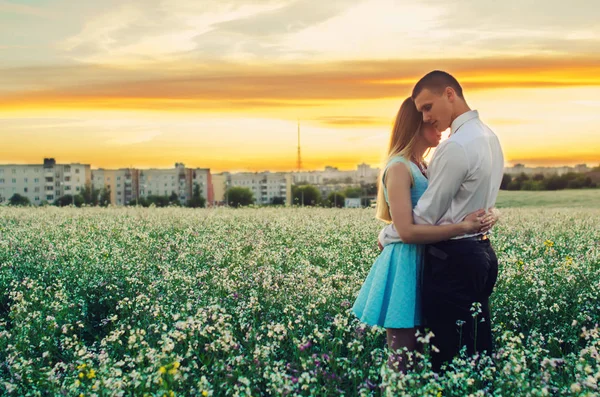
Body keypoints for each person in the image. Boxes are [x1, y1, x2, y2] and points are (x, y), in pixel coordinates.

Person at [351, 96, 497, 373]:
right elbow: (406, 231)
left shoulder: (424, 166)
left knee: (422, 354)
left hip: (430, 259)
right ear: (415, 125)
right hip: (405, 263)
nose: (439, 128)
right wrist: (463, 228)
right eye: (430, 122)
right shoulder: (399, 167)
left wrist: (490, 214)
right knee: (404, 356)